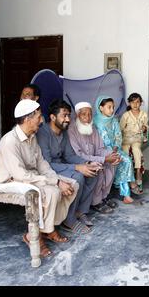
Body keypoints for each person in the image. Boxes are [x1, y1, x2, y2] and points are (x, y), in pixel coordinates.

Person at [0, 99, 78, 257]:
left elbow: (42, 163)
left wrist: (56, 179)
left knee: (72, 185)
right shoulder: (10, 141)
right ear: (27, 119)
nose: (42, 121)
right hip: (12, 181)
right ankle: (33, 236)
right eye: (39, 117)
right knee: (52, 192)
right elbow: (21, 175)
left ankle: (47, 229)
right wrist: (55, 182)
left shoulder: (32, 136)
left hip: (32, 176)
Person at [37, 99, 101, 234]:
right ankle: (69, 220)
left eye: (68, 116)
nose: (67, 119)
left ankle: (80, 211)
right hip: (49, 170)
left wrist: (87, 164)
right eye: (64, 116)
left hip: (61, 165)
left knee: (92, 172)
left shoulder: (63, 132)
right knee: (78, 177)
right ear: (53, 117)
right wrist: (77, 168)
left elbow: (70, 155)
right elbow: (46, 164)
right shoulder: (43, 133)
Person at [68, 102, 121, 214]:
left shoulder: (92, 127)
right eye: (84, 114)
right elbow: (78, 155)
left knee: (112, 164)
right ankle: (96, 202)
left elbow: (100, 148)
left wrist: (112, 155)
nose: (87, 118)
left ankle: (103, 196)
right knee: (98, 167)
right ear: (78, 115)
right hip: (82, 162)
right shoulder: (71, 130)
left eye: (90, 114)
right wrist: (103, 159)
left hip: (94, 157)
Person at [94, 95, 142, 205]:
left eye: (113, 107)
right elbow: (100, 141)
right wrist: (110, 150)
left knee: (127, 161)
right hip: (102, 151)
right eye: (109, 107)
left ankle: (126, 194)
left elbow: (118, 135)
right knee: (123, 161)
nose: (112, 110)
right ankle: (126, 192)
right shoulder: (96, 122)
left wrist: (116, 146)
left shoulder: (114, 119)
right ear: (101, 108)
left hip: (115, 149)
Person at [120, 93, 148, 192]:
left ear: (141, 103)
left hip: (137, 137)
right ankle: (127, 175)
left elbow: (146, 126)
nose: (135, 105)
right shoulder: (126, 115)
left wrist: (144, 128)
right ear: (129, 103)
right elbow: (121, 129)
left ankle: (138, 173)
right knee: (125, 152)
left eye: (137, 102)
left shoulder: (144, 114)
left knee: (136, 149)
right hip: (126, 138)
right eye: (133, 102)